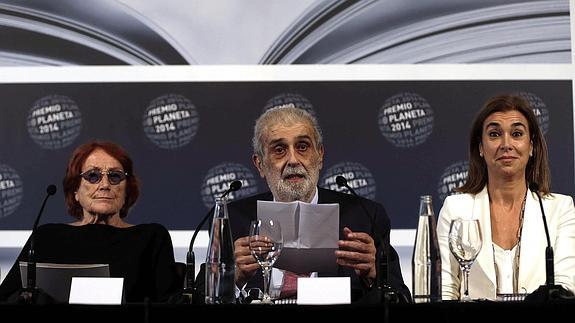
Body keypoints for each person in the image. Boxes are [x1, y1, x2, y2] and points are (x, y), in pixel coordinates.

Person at [196, 106, 410, 303]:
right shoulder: (231, 220)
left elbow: (401, 299)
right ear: (260, 164)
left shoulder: (364, 216)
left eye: (302, 147)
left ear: (320, 156)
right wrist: (230, 279)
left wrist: (374, 274)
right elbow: (193, 303)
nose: (293, 160)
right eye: (279, 149)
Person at [0, 141, 181, 303]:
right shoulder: (46, 238)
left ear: (127, 191)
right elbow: (7, 297)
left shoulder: (151, 238)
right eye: (93, 176)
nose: (104, 185)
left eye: (115, 176)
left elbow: (169, 305)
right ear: (75, 191)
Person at [437, 94, 575, 300]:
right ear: (481, 148)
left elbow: (566, 287)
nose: (506, 144)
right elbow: (445, 291)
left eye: (517, 133)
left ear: (532, 146)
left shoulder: (559, 209)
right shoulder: (456, 208)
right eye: (494, 134)